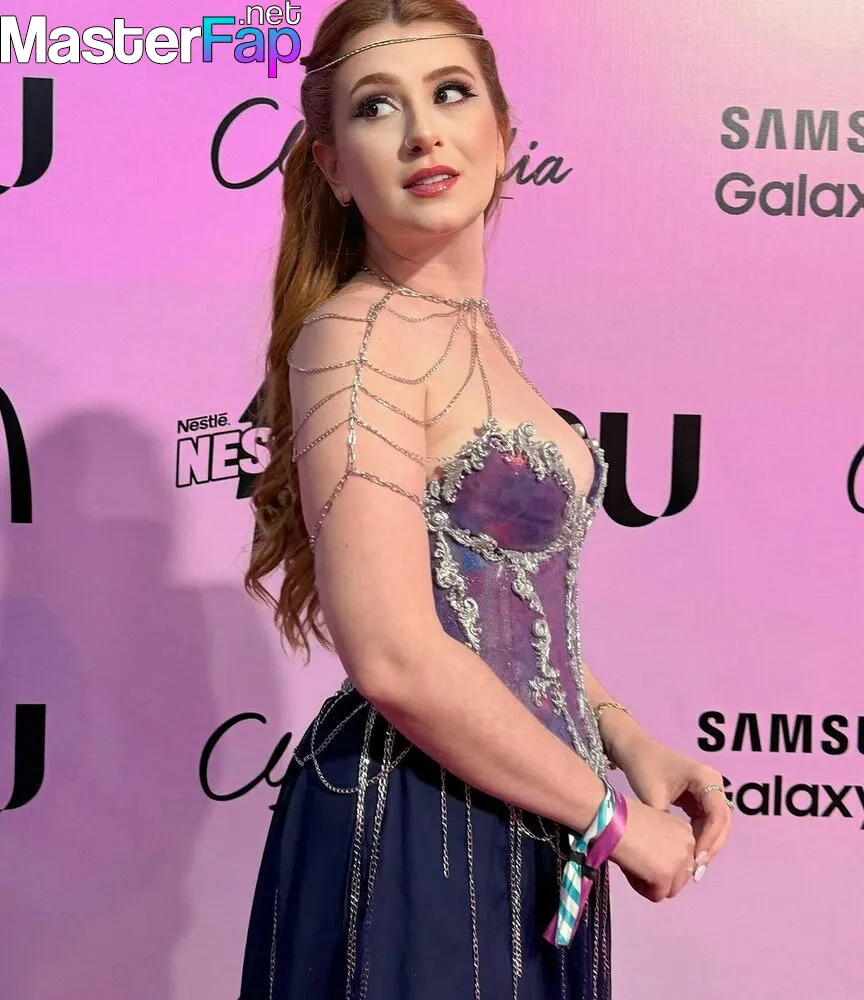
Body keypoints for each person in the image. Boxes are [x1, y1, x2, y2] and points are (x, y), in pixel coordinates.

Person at [239, 1, 734, 997]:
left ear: (503, 133)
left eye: (451, 92)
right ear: (332, 166)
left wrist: (625, 737)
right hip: (416, 821)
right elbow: (396, 657)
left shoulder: (477, 332)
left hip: (526, 806)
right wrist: (612, 819)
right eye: (378, 106)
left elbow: (501, 616)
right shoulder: (358, 338)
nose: (423, 131)